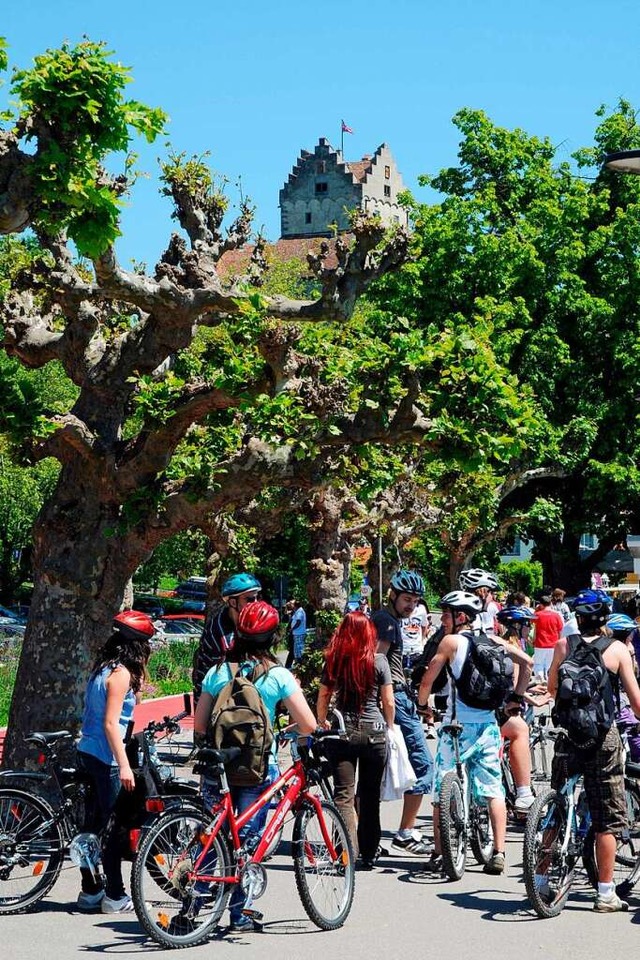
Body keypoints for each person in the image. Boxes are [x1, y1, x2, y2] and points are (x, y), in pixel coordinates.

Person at [194, 600, 316, 932]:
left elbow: (200, 725)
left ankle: (195, 897)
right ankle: (239, 913)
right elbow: (307, 724)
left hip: (217, 769)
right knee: (246, 841)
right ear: (272, 638)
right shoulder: (278, 676)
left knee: (215, 834)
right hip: (258, 768)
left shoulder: (217, 672)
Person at [417, 590, 532, 875]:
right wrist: (516, 697)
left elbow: (427, 680)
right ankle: (499, 852)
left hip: (457, 727)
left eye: (445, 613)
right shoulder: (494, 640)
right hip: (489, 727)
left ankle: (439, 852)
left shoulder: (450, 642)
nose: (442, 619)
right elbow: (527, 664)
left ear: (460, 617)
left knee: (442, 786)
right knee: (493, 789)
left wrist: (423, 707)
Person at [547, 589, 640, 912]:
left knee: (557, 805)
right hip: (603, 739)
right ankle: (604, 892)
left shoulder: (563, 646)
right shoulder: (616, 650)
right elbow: (636, 701)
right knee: (606, 818)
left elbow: (552, 688)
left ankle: (542, 877)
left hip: (568, 735)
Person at [76, 610, 155, 913]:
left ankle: (90, 890)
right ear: (138, 647)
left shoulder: (103, 668)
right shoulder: (121, 674)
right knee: (114, 828)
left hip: (88, 750)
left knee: (91, 824)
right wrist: (123, 765)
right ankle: (114, 895)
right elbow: (111, 724)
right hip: (107, 756)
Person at [316, 611, 394, 869]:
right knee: (370, 796)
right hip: (374, 732)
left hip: (342, 732)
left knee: (344, 795)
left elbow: (325, 695)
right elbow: (388, 701)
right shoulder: (379, 661)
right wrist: (390, 726)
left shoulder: (334, 660)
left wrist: (321, 720)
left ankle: (345, 854)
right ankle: (370, 853)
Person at [371, 569, 434, 855]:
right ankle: (406, 833)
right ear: (393, 595)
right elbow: (375, 661)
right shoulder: (386, 622)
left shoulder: (388, 619)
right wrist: (390, 711)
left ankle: (365, 836)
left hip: (396, 696)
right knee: (422, 765)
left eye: (416, 601)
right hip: (393, 697)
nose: (411, 605)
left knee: (375, 771)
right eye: (407, 599)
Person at [192, 572, 261, 703]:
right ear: (233, 602)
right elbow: (215, 677)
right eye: (249, 599)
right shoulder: (218, 631)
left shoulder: (252, 623)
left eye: (257, 598)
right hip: (218, 700)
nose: (255, 603)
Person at [458, 568, 502, 635]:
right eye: (491, 592)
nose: (491, 597)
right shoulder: (469, 622)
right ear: (483, 593)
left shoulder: (474, 617)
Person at [532, 594, 564, 678]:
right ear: (550, 603)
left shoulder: (537, 615)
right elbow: (560, 631)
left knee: (538, 664)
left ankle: (540, 681)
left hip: (540, 643)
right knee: (550, 665)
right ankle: (548, 682)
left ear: (541, 604)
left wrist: (537, 610)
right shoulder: (556, 615)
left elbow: (532, 625)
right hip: (553, 644)